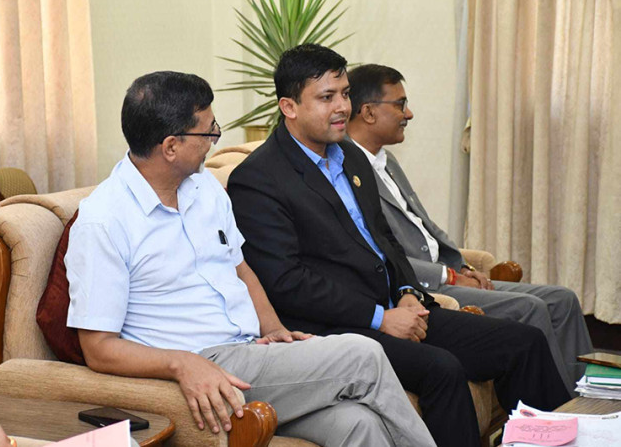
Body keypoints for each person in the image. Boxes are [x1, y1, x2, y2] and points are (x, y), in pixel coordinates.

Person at [64, 71, 435, 447]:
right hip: (202, 363)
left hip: (250, 351)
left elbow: (240, 268)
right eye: (209, 132)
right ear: (171, 146)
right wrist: (181, 363)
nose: (215, 140)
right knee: (363, 356)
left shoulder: (204, 188)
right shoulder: (103, 220)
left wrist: (273, 329)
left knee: (357, 423)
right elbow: (98, 348)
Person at [227, 44, 571, 447]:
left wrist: (407, 291)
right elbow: (287, 283)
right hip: (336, 329)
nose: (342, 107)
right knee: (442, 368)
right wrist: (379, 318)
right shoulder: (258, 178)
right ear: (289, 106)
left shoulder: (350, 157)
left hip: (396, 308)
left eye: (345, 94)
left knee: (523, 342)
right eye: (326, 97)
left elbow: (384, 239)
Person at [344, 63, 593, 392]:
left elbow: (425, 226)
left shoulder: (386, 161)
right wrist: (449, 276)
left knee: (562, 299)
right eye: (400, 105)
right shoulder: (347, 171)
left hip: (446, 272)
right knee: (529, 308)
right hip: (422, 285)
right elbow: (383, 254)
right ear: (368, 112)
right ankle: (558, 411)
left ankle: (588, 395)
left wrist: (463, 266)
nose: (409, 114)